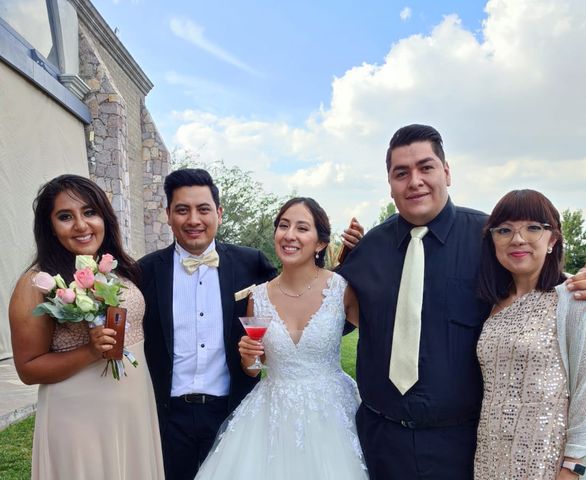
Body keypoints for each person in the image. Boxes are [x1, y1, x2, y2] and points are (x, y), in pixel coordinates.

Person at [338, 124, 586, 479]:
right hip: (381, 439)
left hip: (464, 445)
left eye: (426, 167)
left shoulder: (487, 238)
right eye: (401, 173)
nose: (414, 181)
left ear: (447, 172)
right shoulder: (371, 248)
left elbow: (536, 284)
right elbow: (332, 318)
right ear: (389, 183)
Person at [195, 197, 367, 479]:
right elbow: (254, 369)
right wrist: (248, 358)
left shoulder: (342, 289)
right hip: (271, 416)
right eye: (283, 226)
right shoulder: (257, 297)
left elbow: (380, 334)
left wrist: (362, 256)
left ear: (320, 242)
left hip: (333, 414)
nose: (289, 235)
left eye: (302, 228)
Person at [8, 174, 164, 479]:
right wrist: (91, 350)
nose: (81, 225)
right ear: (50, 227)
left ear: (104, 217)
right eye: (65, 216)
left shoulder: (120, 270)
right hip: (79, 416)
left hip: (132, 408)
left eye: (89, 212)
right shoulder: (38, 283)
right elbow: (28, 369)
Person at [139, 168, 277, 480]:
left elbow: (294, 293)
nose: (193, 220)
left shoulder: (250, 262)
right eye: (182, 210)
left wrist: (332, 263)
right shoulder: (145, 272)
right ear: (168, 214)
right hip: (167, 417)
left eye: (203, 209)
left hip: (233, 410)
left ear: (219, 212)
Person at [474, 189, 586, 479]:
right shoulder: (491, 303)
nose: (517, 239)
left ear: (553, 239)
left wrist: (573, 466)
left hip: (547, 460)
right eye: (504, 230)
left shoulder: (575, 298)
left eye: (533, 227)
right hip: (490, 455)